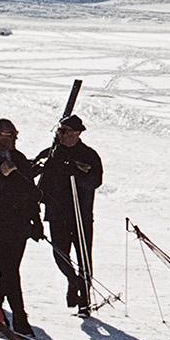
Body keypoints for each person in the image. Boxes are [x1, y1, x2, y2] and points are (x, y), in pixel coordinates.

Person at [0, 118, 42, 335]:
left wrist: (36, 220)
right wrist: (0, 176)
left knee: (10, 270)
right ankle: (16, 318)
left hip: (17, 225)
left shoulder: (19, 159)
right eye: (9, 134)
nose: (14, 138)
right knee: (8, 271)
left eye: (15, 133)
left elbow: (29, 190)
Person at [38, 114, 103, 314]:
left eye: (65, 132)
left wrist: (77, 172)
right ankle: (72, 281)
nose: (62, 135)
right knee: (60, 254)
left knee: (83, 256)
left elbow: (95, 181)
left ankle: (84, 299)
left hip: (80, 213)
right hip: (57, 213)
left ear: (77, 134)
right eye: (60, 131)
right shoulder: (51, 154)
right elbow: (39, 177)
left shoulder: (88, 154)